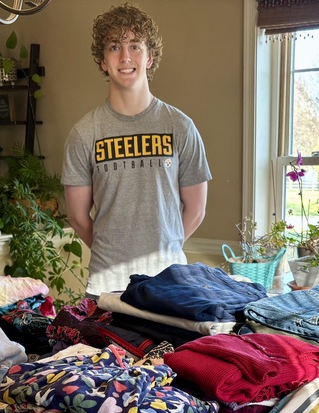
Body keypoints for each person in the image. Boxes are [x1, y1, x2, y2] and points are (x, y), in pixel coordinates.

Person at [62, 3, 211, 296]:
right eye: (114, 47)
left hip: (169, 282)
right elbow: (78, 217)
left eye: (135, 46)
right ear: (103, 62)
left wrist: (164, 249)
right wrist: (115, 253)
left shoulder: (180, 126)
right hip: (106, 284)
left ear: (150, 57)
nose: (125, 56)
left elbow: (196, 208)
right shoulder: (84, 133)